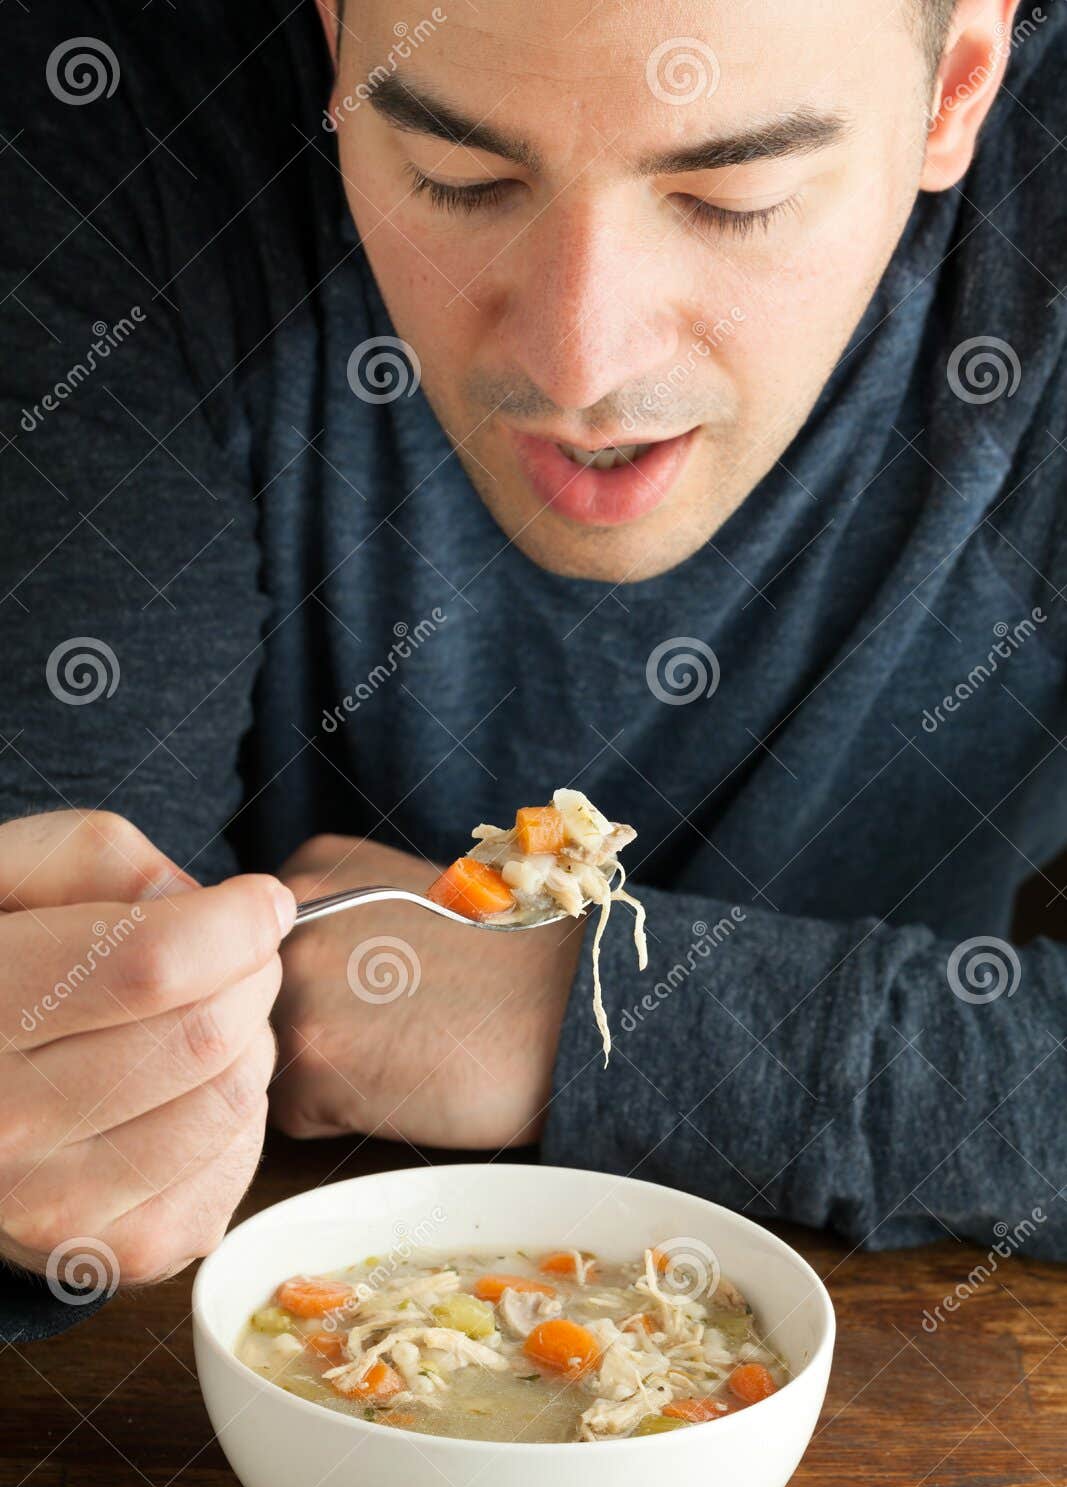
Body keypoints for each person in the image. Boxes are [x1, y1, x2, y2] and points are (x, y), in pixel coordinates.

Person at [2, 0, 1064, 1341]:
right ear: (336, 32)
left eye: (734, 196)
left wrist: (586, 1010)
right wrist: (59, 1125)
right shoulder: (92, 119)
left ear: (958, 85)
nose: (580, 365)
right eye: (460, 177)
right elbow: (49, 976)